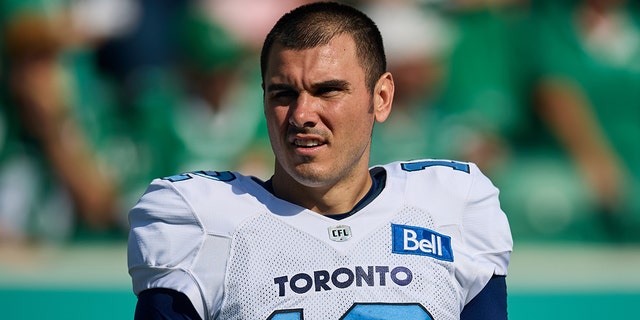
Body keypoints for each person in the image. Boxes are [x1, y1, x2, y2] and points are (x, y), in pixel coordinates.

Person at [127, 2, 513, 319]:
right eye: (282, 93)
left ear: (380, 98)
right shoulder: (201, 220)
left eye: (327, 91)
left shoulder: (451, 205)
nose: (302, 114)